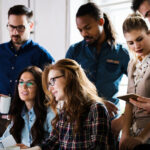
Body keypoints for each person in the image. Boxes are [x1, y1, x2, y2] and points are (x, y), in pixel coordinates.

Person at [22, 58, 116, 150]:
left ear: (69, 77)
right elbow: (51, 143)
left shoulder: (96, 109)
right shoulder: (64, 112)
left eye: (52, 81)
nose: (50, 89)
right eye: (49, 84)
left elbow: (98, 147)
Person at [65, 2, 130, 119]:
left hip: (111, 120)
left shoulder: (121, 53)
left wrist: (123, 120)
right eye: (80, 30)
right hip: (81, 118)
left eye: (87, 28)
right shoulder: (74, 51)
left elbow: (137, 85)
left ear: (101, 22)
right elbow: (66, 87)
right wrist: (97, 101)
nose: (84, 33)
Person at [0, 5, 54, 136]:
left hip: (25, 120)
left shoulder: (41, 55)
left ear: (30, 26)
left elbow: (51, 87)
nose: (15, 32)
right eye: (11, 27)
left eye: (20, 27)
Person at [0, 66, 54, 147]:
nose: (24, 87)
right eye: (21, 82)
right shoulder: (20, 113)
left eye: (30, 83)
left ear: (39, 87)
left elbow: (58, 145)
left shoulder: (51, 113)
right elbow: (4, 142)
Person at [119, 13, 150, 150]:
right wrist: (125, 135)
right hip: (133, 130)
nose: (136, 46)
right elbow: (129, 102)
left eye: (139, 39)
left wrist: (141, 138)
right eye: (130, 43)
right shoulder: (132, 64)